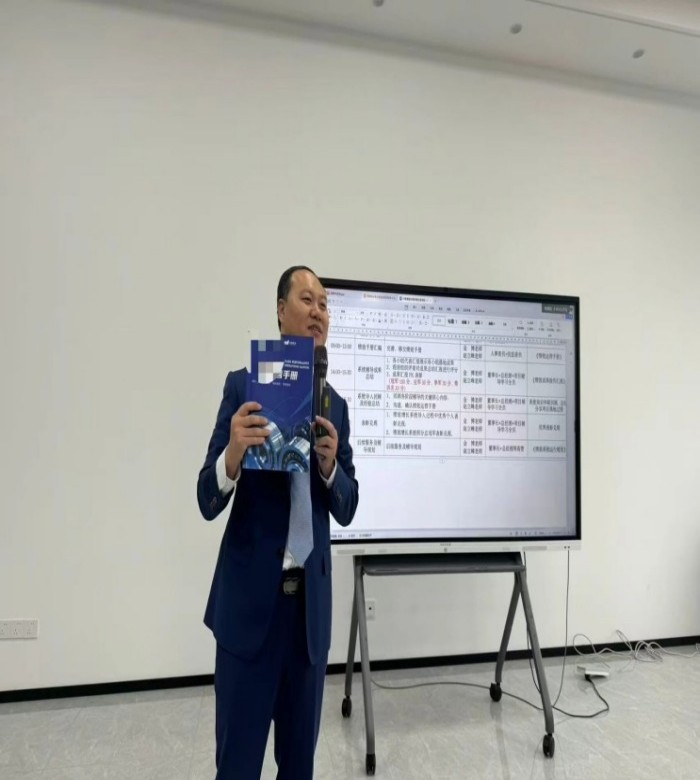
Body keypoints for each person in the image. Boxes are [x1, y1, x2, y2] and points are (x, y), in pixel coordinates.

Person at [197, 266, 359, 780]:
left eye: (325, 304)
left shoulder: (336, 406)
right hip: (250, 613)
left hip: (308, 621)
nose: (318, 311)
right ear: (280, 310)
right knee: (238, 766)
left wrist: (330, 469)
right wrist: (233, 455)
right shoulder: (243, 387)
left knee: (299, 768)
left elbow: (348, 507)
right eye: (307, 300)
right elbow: (206, 498)